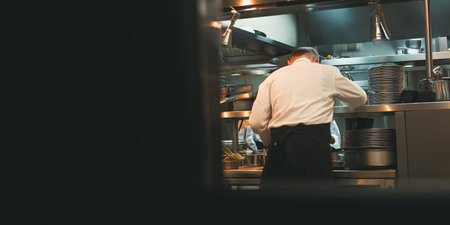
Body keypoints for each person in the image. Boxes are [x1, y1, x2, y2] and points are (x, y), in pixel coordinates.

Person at [249, 47, 366, 189]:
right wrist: (349, 107)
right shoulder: (328, 72)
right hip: (314, 147)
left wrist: (269, 140)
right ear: (316, 61)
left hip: (279, 148)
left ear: (289, 62)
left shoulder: (273, 77)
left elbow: (256, 123)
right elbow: (360, 97)